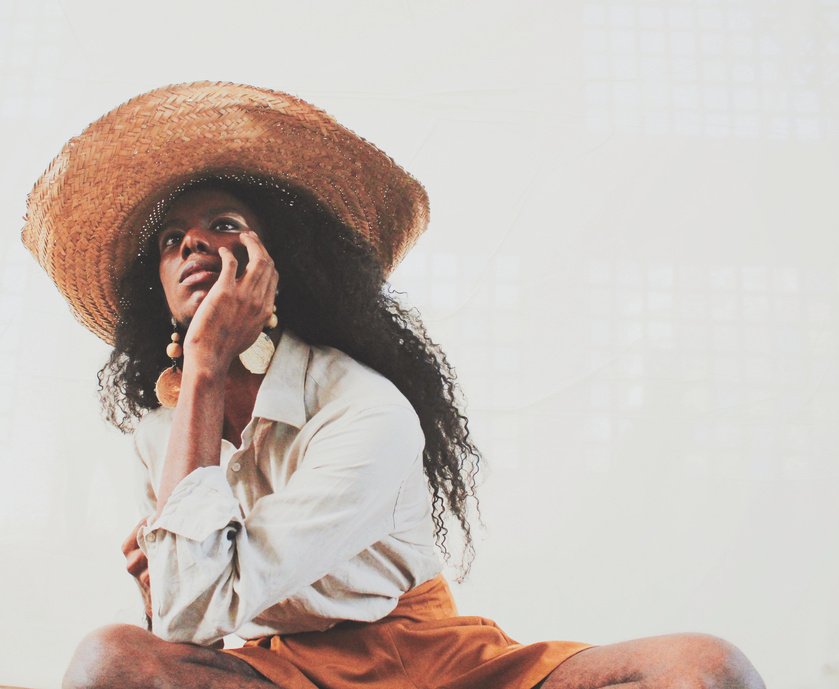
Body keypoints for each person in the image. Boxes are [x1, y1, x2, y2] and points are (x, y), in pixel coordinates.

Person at [22, 81, 765, 689]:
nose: (192, 243)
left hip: (440, 660)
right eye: (171, 238)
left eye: (224, 224)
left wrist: (210, 362)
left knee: (704, 670)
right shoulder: (160, 431)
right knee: (108, 662)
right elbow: (190, 627)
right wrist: (162, 591)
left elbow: (205, 598)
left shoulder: (361, 403)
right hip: (286, 673)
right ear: (155, 287)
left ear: (274, 267)